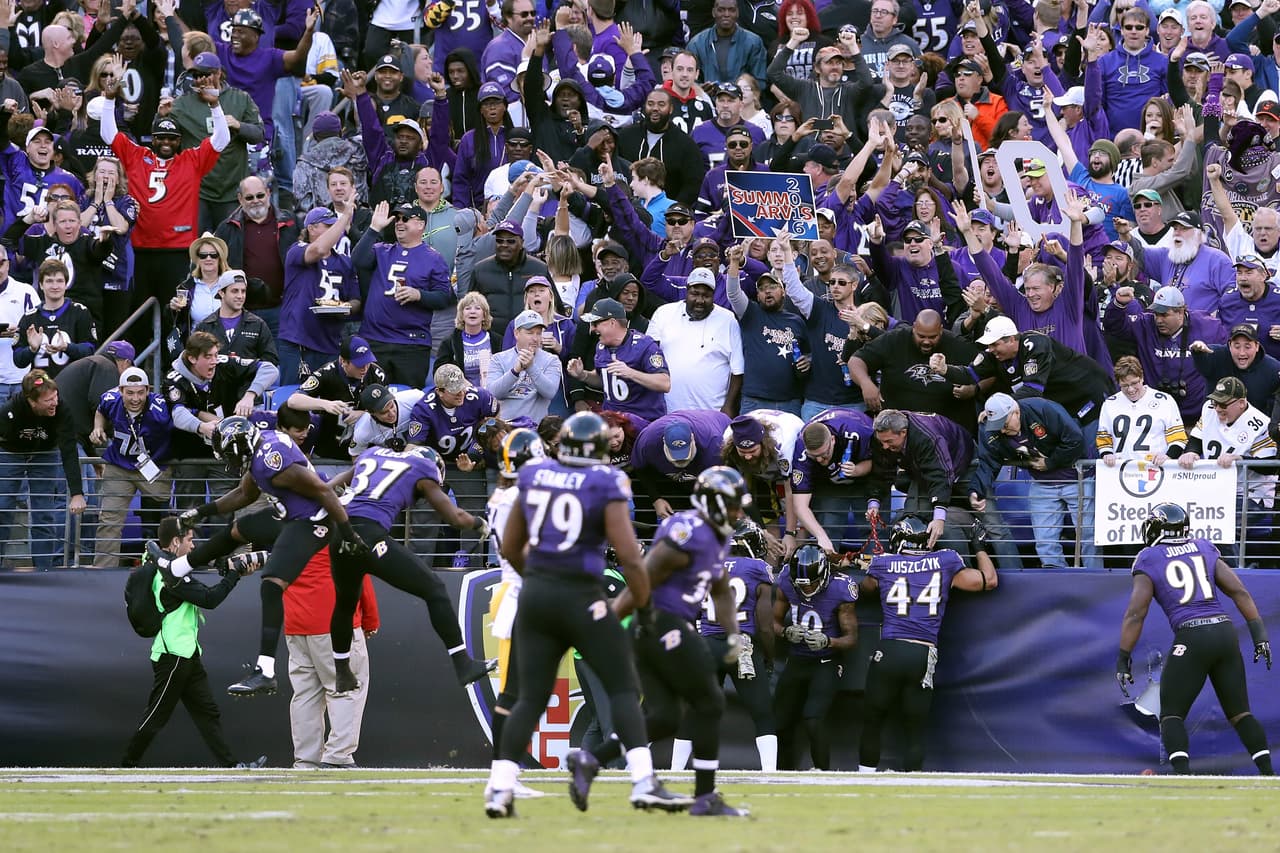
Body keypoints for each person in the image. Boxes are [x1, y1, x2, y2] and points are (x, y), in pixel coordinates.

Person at [484, 412, 690, 817]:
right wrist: (645, 608)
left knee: (530, 696)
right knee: (623, 687)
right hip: (581, 595)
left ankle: (500, 787)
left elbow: (510, 548)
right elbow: (631, 559)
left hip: (537, 593)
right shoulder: (605, 481)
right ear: (597, 449)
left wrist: (543, 580)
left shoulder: (534, 476)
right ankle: (644, 781)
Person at [568, 467, 752, 817]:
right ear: (713, 504)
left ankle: (592, 759)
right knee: (710, 701)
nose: (739, 514)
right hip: (660, 621)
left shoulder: (716, 536)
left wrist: (732, 634)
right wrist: (616, 620)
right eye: (733, 506)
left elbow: (721, 589)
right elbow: (644, 574)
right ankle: (705, 797)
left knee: (666, 716)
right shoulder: (689, 532)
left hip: (657, 627)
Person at [144, 416, 368, 697]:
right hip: (291, 515)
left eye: (227, 453)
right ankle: (176, 569)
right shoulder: (260, 452)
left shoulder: (271, 462)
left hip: (313, 522)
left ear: (238, 447)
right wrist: (202, 512)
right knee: (238, 529)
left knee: (271, 584)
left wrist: (347, 533)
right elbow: (244, 494)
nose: (227, 459)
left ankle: (266, 671)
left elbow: (323, 490)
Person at [1116, 503, 1274, 775]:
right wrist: (1260, 637)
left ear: (1157, 527)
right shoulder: (1204, 547)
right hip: (1225, 632)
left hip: (1191, 634)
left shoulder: (1149, 557)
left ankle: (1184, 778)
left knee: (1171, 714)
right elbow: (1240, 592)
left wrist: (1123, 658)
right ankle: (1270, 776)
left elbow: (1135, 614)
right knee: (1240, 713)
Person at [328, 443, 494, 693]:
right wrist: (479, 523)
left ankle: (342, 672)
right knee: (435, 588)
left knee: (345, 602)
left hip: (340, 535)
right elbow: (455, 518)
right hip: (369, 537)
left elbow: (328, 488)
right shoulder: (422, 468)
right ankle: (463, 663)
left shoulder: (372, 453)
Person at [121, 517, 267, 769]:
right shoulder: (169, 575)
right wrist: (234, 574)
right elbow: (210, 599)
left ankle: (232, 766)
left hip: (186, 653)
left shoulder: (168, 569)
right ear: (175, 542)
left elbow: (201, 587)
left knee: (207, 712)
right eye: (189, 540)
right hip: (173, 655)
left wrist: (228, 567)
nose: (192, 546)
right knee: (157, 715)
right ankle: (127, 764)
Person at [858, 515, 997, 772]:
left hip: (890, 649)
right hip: (922, 653)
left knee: (872, 720)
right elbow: (989, 580)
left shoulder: (884, 564)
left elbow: (865, 589)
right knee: (915, 729)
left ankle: (864, 778)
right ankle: (911, 787)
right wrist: (978, 546)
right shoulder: (944, 561)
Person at [100, 73, 230, 335]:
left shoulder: (191, 161)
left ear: (179, 141)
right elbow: (108, 133)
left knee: (176, 312)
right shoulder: (137, 156)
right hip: (140, 248)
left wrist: (215, 106)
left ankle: (171, 367)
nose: (166, 143)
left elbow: (222, 140)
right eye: (161, 137)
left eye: (172, 139)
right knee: (139, 312)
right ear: (152, 138)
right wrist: (108, 100)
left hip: (177, 249)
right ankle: (140, 369)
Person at [672, 518, 778, 773]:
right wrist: (769, 656)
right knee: (762, 712)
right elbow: (765, 625)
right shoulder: (758, 568)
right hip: (741, 644)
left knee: (695, 710)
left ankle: (674, 770)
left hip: (707, 644)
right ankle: (770, 772)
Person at [484, 427, 550, 799]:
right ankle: (501, 773)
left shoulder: (506, 494)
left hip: (522, 589)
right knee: (514, 691)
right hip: (519, 591)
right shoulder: (517, 498)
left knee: (521, 690)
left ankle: (505, 772)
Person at [969, 392, 1094, 569]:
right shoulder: (989, 428)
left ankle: (1095, 581)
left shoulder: (1042, 408)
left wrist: (1050, 462)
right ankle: (1058, 587)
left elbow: (1075, 440)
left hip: (1077, 478)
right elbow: (988, 462)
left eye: (1004, 424)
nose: (1003, 430)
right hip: (1042, 483)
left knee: (1089, 537)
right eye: (998, 427)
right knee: (1045, 543)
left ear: (1016, 412)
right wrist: (976, 490)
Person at [285, 547, 378, 769]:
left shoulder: (290, 531)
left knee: (305, 694)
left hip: (296, 624)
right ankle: (337, 756)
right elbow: (359, 575)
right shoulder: (340, 530)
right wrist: (371, 619)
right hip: (337, 622)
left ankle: (306, 761)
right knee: (348, 687)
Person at [772, 544, 858, 770]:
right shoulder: (786, 582)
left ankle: (823, 774)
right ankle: (783, 774)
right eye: (802, 584)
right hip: (797, 658)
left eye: (812, 582)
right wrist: (785, 631)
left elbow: (851, 638)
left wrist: (828, 641)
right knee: (779, 721)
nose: (807, 588)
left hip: (826, 661)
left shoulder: (841, 587)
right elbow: (772, 622)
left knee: (813, 719)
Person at [354, 201, 454, 387]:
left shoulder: (434, 258)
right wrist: (374, 228)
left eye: (406, 218)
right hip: (375, 339)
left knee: (407, 400)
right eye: (398, 218)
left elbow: (443, 297)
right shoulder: (382, 250)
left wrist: (419, 295)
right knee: (370, 398)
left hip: (411, 344)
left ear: (420, 225)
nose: (399, 222)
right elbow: (358, 260)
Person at [167, 50, 266, 234]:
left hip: (231, 190)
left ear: (219, 73)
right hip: (197, 191)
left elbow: (259, 134)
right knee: (197, 247)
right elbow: (163, 138)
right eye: (196, 75)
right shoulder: (181, 104)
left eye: (206, 74)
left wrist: (238, 125)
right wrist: (161, 115)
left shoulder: (240, 98)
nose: (200, 80)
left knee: (231, 247)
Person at [0, 370, 86, 570]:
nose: (55, 402)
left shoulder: (62, 409)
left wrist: (77, 493)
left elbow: (69, 450)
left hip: (45, 454)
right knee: (3, 508)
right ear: (32, 401)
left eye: (56, 396)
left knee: (44, 513)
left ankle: (43, 570)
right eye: (48, 400)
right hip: (10, 453)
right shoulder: (10, 411)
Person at [91, 367, 173, 569]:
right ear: (120, 390)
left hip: (153, 466)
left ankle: (171, 567)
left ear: (148, 390)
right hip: (119, 465)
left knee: (167, 513)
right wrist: (98, 427)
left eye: (140, 392)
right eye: (129, 392)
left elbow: (183, 422)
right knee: (109, 520)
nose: (135, 398)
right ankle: (103, 571)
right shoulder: (110, 399)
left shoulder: (161, 409)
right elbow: (100, 411)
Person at [279, 206, 361, 383]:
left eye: (335, 225)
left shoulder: (345, 262)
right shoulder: (297, 250)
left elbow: (356, 300)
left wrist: (346, 307)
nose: (335, 230)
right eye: (328, 225)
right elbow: (319, 251)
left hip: (330, 341)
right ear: (311, 228)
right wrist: (345, 217)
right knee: (292, 398)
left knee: (327, 402)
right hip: (298, 341)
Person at [646, 267, 744, 414]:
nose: (700, 300)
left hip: (711, 412)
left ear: (714, 295)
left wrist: (729, 406)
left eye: (706, 295)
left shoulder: (728, 319)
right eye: (695, 293)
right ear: (687, 291)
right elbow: (649, 354)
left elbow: (737, 371)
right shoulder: (664, 313)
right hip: (667, 409)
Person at [566, 296, 670, 422]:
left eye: (595, 323)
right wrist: (583, 375)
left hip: (643, 423)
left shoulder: (645, 346)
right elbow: (605, 378)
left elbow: (664, 383)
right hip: (614, 423)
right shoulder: (601, 346)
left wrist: (631, 373)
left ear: (612, 322)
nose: (592, 329)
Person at [285, 337, 387, 460]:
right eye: (359, 364)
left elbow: (389, 410)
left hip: (366, 451)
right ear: (343, 361)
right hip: (328, 448)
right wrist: (325, 404)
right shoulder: (326, 373)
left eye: (367, 362)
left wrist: (364, 414)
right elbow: (293, 401)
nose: (365, 368)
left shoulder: (377, 374)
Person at [12, 258, 97, 378]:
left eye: (59, 281)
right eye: (49, 281)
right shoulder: (29, 317)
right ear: (41, 284)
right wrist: (31, 349)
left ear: (66, 284)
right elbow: (18, 360)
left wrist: (67, 347)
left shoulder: (80, 312)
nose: (55, 286)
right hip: (40, 389)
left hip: (72, 387)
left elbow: (90, 351)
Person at [487, 309, 564, 424]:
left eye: (538, 333)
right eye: (530, 332)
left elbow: (550, 392)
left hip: (537, 429)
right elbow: (493, 393)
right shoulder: (498, 359)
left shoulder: (551, 360)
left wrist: (531, 367)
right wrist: (515, 371)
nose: (535, 338)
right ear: (516, 333)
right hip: (506, 428)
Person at [192, 269, 279, 365]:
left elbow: (271, 360)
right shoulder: (205, 326)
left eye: (243, 291)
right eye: (235, 291)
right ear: (221, 293)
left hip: (250, 379)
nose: (240, 296)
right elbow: (193, 360)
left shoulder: (258, 325)